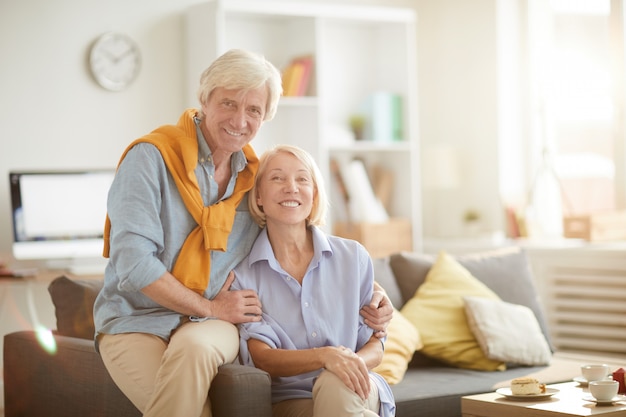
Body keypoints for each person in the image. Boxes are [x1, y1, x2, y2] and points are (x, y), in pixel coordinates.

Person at [93, 49, 393, 417]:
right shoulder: (151, 158)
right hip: (138, 318)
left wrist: (374, 294)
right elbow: (134, 264)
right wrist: (210, 306)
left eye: (253, 110)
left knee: (195, 349)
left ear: (265, 116)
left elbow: (297, 237)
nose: (239, 120)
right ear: (204, 100)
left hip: (207, 326)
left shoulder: (251, 177)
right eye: (228, 103)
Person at [232, 144, 396, 417]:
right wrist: (326, 357)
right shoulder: (244, 274)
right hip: (293, 400)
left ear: (314, 194)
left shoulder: (353, 257)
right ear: (258, 195)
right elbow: (263, 356)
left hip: (359, 387)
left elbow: (376, 345)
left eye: (302, 179)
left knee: (335, 382)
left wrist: (345, 364)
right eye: (277, 178)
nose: (291, 187)